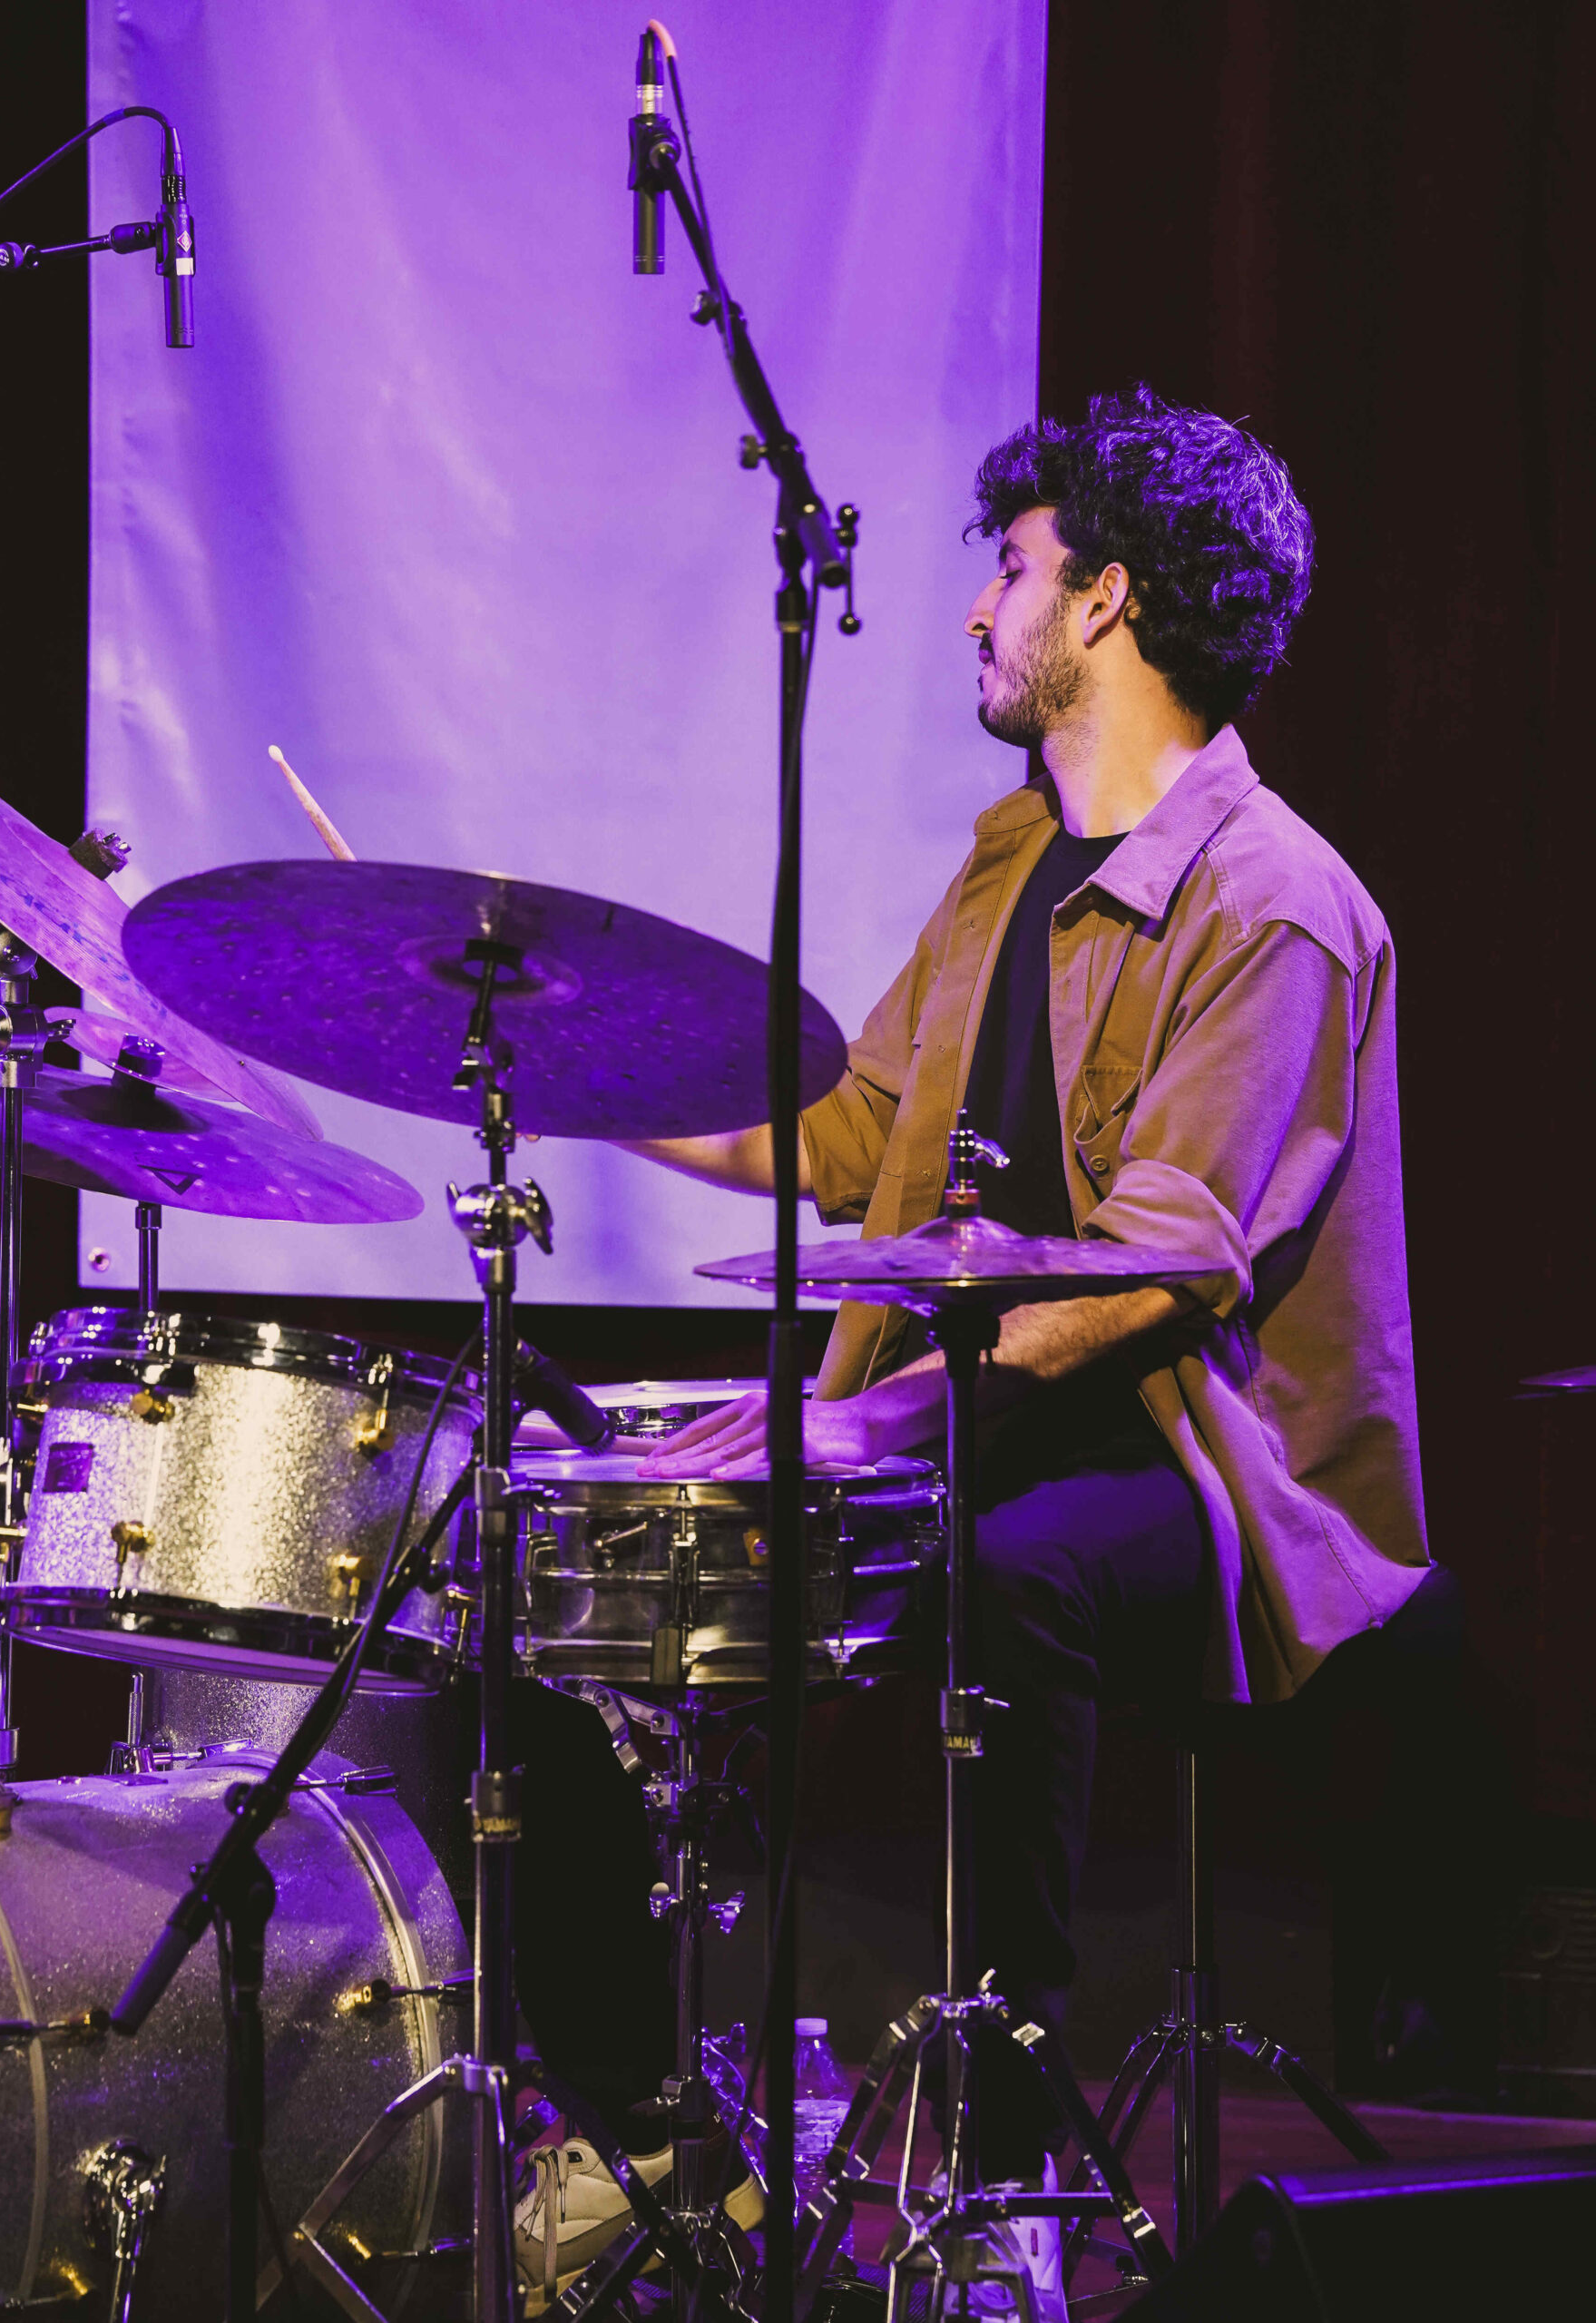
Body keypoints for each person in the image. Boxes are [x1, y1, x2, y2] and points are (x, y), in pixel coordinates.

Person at [514, 385, 1429, 2315]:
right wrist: (579, 1065)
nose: (972, 611)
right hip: (971, 1429)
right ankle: (660, 2122)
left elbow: (1155, 1273)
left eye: (1007, 570)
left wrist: (849, 1430)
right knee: (558, 1558)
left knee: (1010, 1575)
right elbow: (854, 1138)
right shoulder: (1012, 856)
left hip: (1200, 1473)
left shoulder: (1279, 906)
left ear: (1102, 601)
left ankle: (1003, 2192)